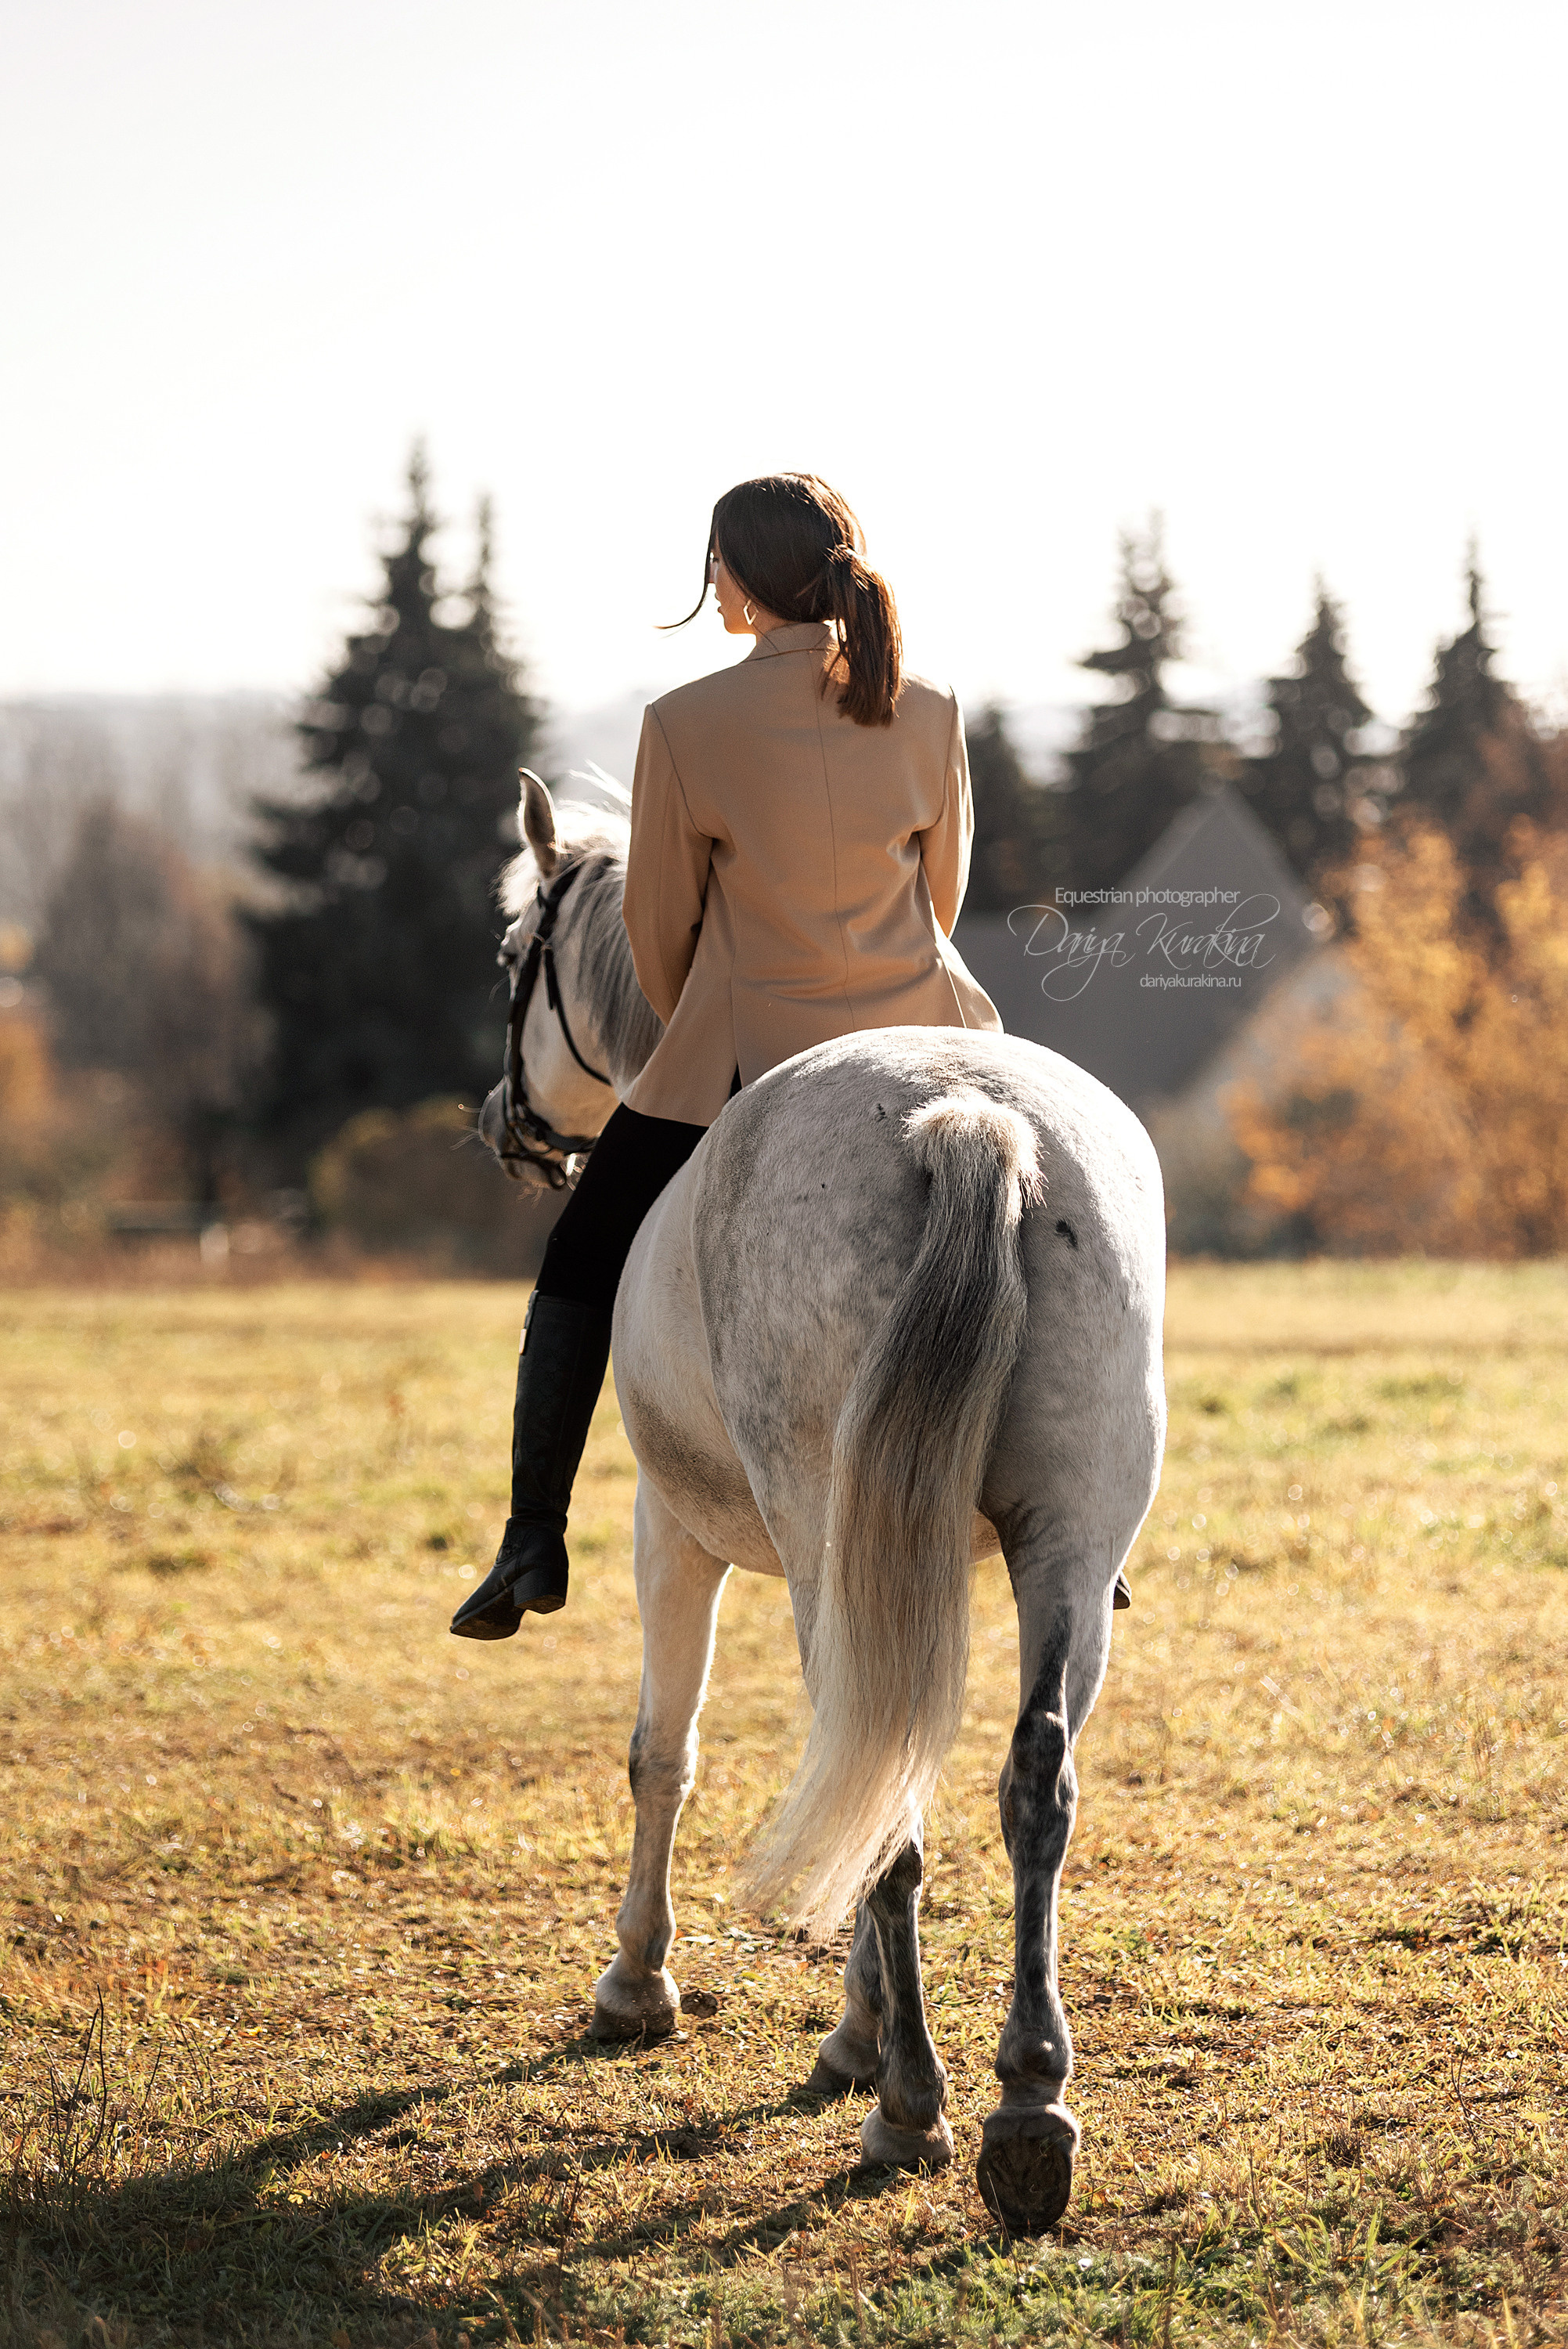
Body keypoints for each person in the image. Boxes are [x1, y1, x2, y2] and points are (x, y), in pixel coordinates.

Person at [452, 473, 1000, 1641]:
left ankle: (531, 1540)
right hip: (931, 1034)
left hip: (747, 1048)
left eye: (713, 570)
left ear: (740, 580)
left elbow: (655, 932)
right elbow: (942, 898)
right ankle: (1069, 1515)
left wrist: (706, 1007)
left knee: (584, 1253)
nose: (710, 591)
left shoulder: (684, 724)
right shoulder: (932, 709)